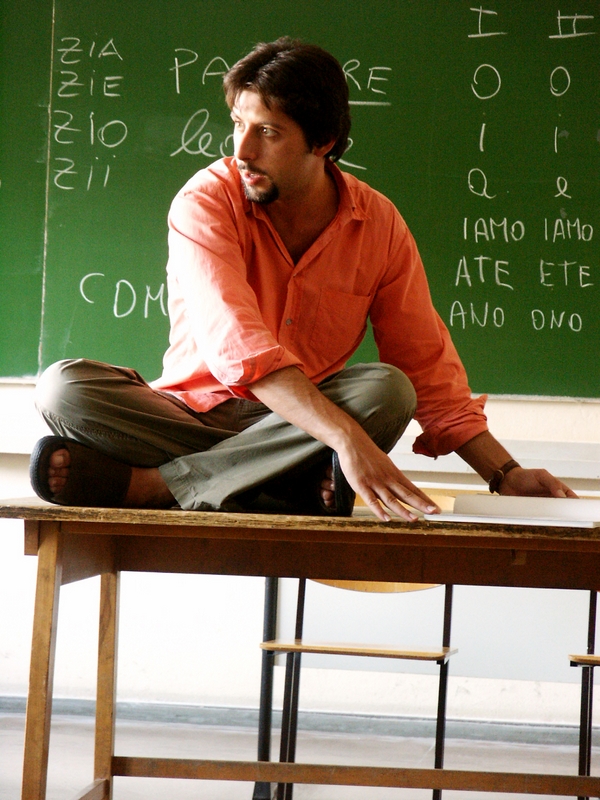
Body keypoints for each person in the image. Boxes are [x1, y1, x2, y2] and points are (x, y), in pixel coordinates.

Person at [30, 37, 576, 520]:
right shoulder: (206, 201)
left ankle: (154, 486)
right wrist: (345, 439)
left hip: (298, 424)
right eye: (238, 124)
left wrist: (504, 474)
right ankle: (280, 485)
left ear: (324, 141)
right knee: (63, 389)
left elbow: (427, 368)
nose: (242, 150)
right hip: (191, 416)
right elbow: (237, 348)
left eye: (267, 132)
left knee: (388, 391)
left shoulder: (378, 224)